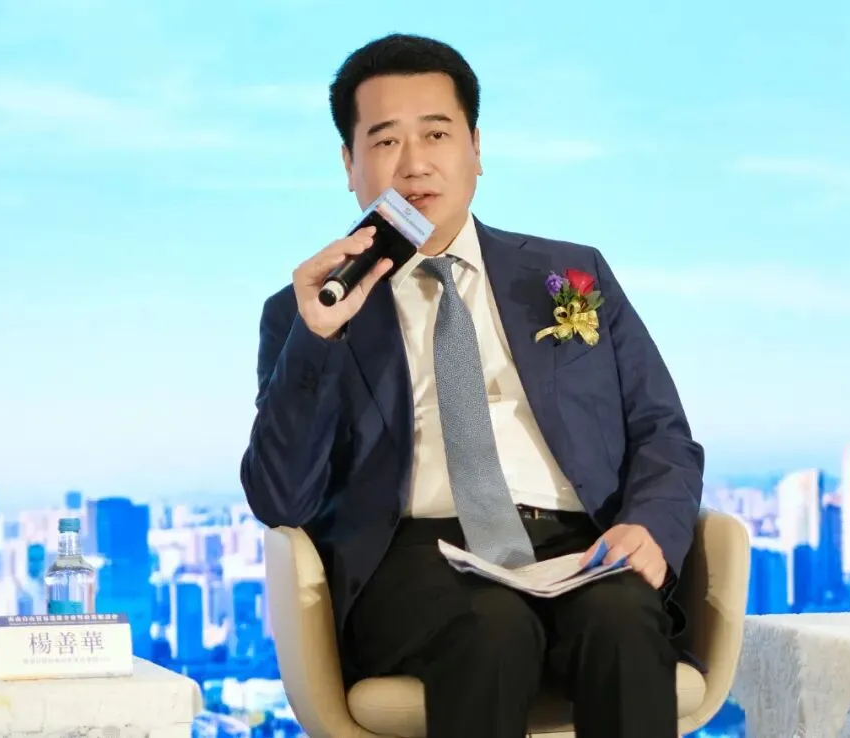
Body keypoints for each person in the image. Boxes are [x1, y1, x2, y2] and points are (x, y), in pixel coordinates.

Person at [241, 32, 705, 738]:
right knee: (492, 627)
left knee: (621, 621)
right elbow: (280, 499)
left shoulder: (568, 273)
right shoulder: (307, 310)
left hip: (579, 546)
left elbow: (661, 429)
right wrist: (318, 336)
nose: (415, 162)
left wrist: (649, 526)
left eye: (437, 134)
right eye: (385, 141)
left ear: (477, 149)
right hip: (416, 562)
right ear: (349, 164)